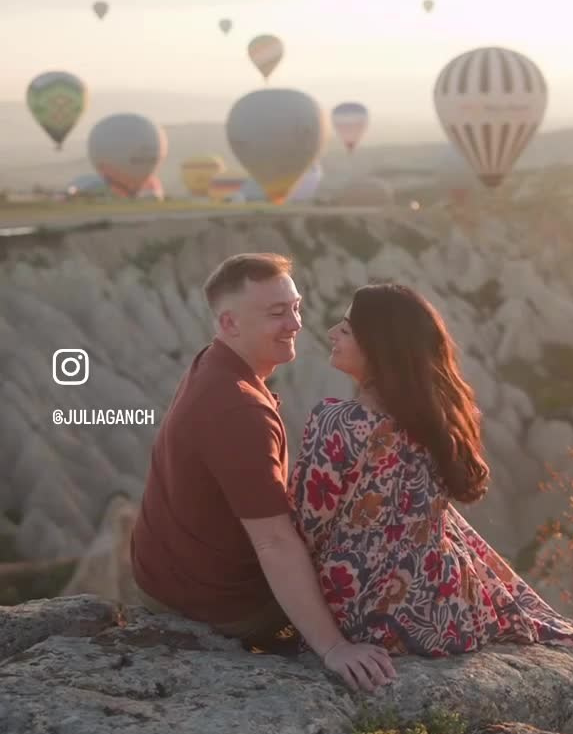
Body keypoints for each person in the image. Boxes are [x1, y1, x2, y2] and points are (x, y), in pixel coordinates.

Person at [288, 283, 573, 658]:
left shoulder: (336, 422)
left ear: (378, 348)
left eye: (346, 329)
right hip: (447, 614)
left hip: (354, 615)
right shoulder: (436, 426)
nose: (332, 333)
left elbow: (307, 526)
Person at [130, 252, 397, 695]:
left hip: (168, 578)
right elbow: (274, 542)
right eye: (277, 313)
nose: (295, 323)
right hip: (221, 606)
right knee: (377, 596)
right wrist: (334, 647)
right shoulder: (238, 409)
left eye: (296, 307)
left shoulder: (212, 363)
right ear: (230, 323)